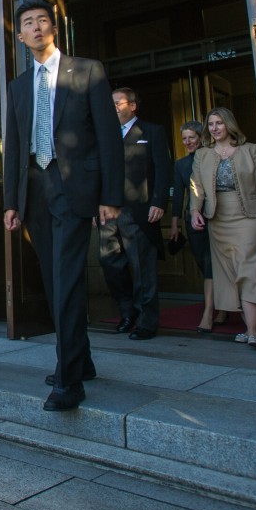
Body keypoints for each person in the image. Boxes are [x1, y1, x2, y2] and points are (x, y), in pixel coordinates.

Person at [3, 0, 123, 411]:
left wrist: (111, 196)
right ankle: (82, 360)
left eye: (42, 21)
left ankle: (69, 380)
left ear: (53, 28)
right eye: (28, 23)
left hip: (74, 188)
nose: (36, 28)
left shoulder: (87, 71)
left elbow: (109, 135)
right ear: (19, 36)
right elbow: (14, 145)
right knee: (55, 282)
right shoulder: (18, 85)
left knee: (68, 278)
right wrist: (11, 202)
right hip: (35, 190)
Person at [190, 107, 256, 349]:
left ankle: (255, 332)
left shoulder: (251, 150)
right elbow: (196, 187)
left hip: (251, 216)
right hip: (219, 219)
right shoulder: (202, 155)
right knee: (232, 275)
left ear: (229, 125)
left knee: (249, 270)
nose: (214, 128)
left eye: (219, 123)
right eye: (211, 124)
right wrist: (195, 210)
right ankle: (249, 329)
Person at [98, 88, 171, 341]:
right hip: (109, 211)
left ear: (133, 105)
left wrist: (159, 202)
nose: (114, 107)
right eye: (111, 103)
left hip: (139, 210)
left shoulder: (152, 132)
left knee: (142, 269)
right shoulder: (105, 135)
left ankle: (146, 321)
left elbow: (163, 169)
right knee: (110, 263)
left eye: (118, 103)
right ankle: (127, 312)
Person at [170, 121, 223, 332]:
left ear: (201, 136)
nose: (188, 142)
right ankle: (221, 305)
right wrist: (175, 225)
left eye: (192, 137)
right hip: (192, 219)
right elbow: (178, 197)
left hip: (216, 217)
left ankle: (209, 312)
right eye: (184, 138)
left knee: (213, 263)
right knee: (203, 262)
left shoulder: (214, 156)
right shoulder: (181, 164)